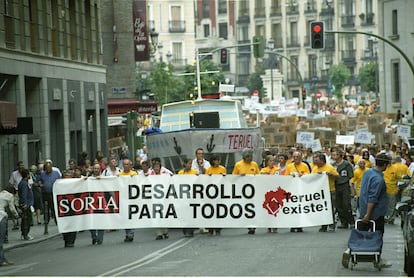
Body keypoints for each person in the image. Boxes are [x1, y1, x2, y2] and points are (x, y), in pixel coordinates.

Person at [342, 153, 392, 269]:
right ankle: (378, 259)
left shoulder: (368, 172)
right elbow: (373, 198)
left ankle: (349, 250)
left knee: (360, 232)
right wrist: (368, 215)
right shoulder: (378, 179)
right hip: (374, 213)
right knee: (378, 235)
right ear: (384, 165)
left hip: (363, 208)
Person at [232, 148, 260, 235]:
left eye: (251, 156)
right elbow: (233, 177)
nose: (250, 158)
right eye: (248, 156)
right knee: (245, 207)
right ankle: (248, 224)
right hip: (243, 190)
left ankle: (253, 225)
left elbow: (258, 175)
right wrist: (239, 176)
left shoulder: (254, 164)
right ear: (244, 157)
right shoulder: (238, 165)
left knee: (253, 207)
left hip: (253, 190)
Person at [311, 152, 339, 232]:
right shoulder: (315, 168)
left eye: (317, 160)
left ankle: (332, 224)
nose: (316, 162)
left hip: (330, 190)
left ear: (322, 161)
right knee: (322, 209)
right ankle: (323, 225)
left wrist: (330, 174)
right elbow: (311, 178)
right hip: (320, 192)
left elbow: (337, 176)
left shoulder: (329, 167)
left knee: (330, 208)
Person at [284, 151, 311, 232]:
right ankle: (292, 224)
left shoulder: (305, 165)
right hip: (292, 190)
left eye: (297, 156)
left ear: (301, 157)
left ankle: (300, 225)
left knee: (300, 208)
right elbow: (285, 177)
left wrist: (302, 175)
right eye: (294, 156)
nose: (296, 158)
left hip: (301, 190)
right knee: (292, 208)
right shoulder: (289, 166)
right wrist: (290, 176)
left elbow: (309, 175)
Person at [149, 158, 173, 240]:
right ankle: (159, 233)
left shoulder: (165, 173)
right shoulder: (150, 174)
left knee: (164, 215)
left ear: (160, 167)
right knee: (156, 215)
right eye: (155, 167)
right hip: (154, 198)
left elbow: (172, 176)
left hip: (164, 197)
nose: (156, 168)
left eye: (157, 166)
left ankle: (165, 231)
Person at [331, 148, 355, 229]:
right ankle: (343, 222)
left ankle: (351, 221)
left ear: (340, 155)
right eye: (333, 155)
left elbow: (350, 175)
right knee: (338, 205)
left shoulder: (346, 164)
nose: (333, 156)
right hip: (336, 185)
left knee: (346, 204)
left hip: (344, 185)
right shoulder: (333, 165)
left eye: (335, 154)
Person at [205, 155, 226, 236]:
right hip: (211, 193)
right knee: (210, 211)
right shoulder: (209, 169)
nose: (218, 162)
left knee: (218, 211)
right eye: (217, 160)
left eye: (219, 160)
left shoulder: (222, 168)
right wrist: (208, 177)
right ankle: (210, 229)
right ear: (213, 161)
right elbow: (205, 180)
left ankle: (218, 229)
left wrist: (223, 176)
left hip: (219, 192)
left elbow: (225, 180)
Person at [118, 159, 138, 242]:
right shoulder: (119, 175)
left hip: (132, 198)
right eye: (124, 164)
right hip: (123, 198)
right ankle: (128, 233)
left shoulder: (134, 174)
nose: (126, 166)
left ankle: (131, 233)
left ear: (130, 165)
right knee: (125, 217)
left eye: (127, 164)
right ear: (122, 165)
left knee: (131, 216)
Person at [178, 158, 198, 237]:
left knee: (191, 214)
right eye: (188, 163)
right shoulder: (180, 173)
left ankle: (190, 230)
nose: (190, 165)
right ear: (185, 164)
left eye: (191, 164)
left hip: (192, 196)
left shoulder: (194, 172)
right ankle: (185, 229)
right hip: (183, 196)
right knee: (184, 214)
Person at [0, 185, 19, 266]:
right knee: (1, 239)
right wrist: (16, 215)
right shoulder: (10, 196)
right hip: (1, 217)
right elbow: (12, 208)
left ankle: (2, 259)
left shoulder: (0, 194)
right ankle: (2, 260)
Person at [88, 164, 105, 245]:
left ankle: (100, 238)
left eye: (98, 168)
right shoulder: (89, 178)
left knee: (101, 220)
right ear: (92, 169)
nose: (96, 170)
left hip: (101, 202)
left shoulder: (104, 178)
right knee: (92, 220)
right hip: (91, 202)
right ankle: (94, 236)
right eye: (95, 168)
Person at [61, 170, 77, 247]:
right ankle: (66, 238)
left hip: (74, 206)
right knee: (64, 222)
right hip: (63, 206)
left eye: (69, 176)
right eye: (65, 176)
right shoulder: (59, 184)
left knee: (73, 222)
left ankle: (71, 240)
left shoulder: (75, 184)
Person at [18, 168, 34, 241]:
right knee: (27, 219)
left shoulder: (23, 182)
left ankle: (24, 234)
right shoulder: (24, 183)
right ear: (27, 175)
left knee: (26, 219)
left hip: (27, 203)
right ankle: (25, 234)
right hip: (26, 204)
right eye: (29, 174)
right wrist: (24, 203)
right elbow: (24, 194)